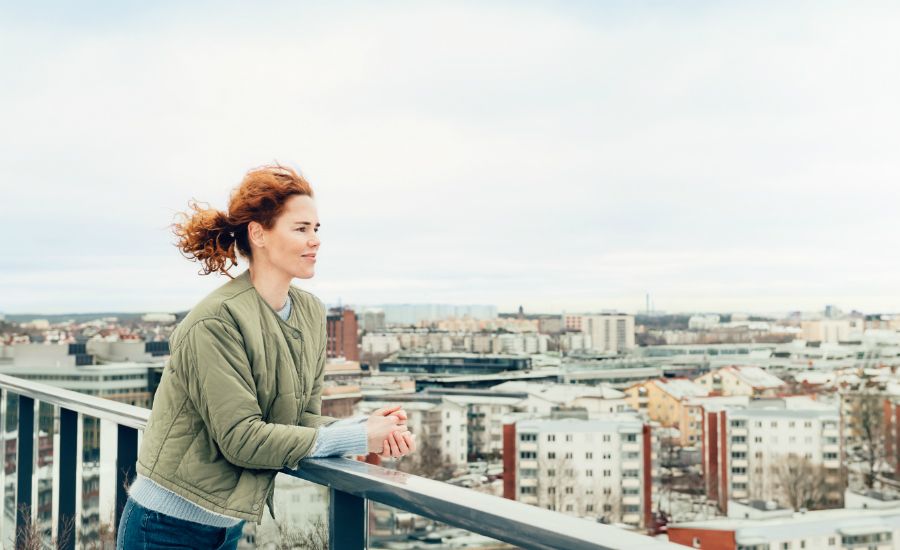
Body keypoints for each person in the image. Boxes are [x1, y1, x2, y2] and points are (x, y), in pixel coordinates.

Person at [116, 165, 416, 549]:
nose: (315, 240)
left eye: (316, 229)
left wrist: (369, 428)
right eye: (301, 228)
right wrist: (359, 436)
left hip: (228, 525)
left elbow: (299, 420)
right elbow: (242, 439)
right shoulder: (215, 320)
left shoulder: (310, 312)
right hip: (164, 527)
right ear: (258, 234)